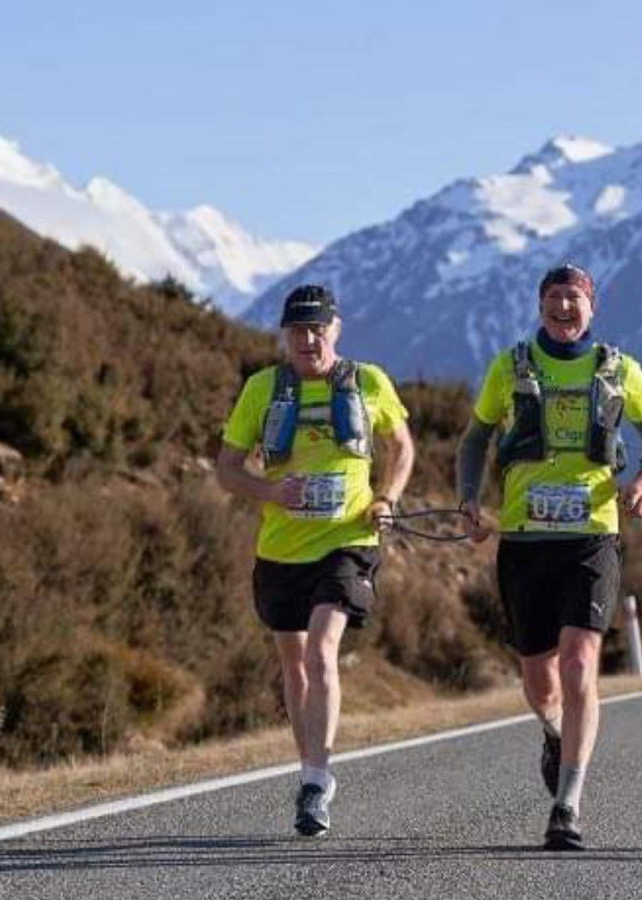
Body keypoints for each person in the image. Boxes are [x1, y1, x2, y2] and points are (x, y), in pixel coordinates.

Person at [456, 263, 642, 850]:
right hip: (525, 540)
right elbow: (475, 439)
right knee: (539, 682)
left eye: (574, 298)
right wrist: (468, 501)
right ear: (539, 305)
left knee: (580, 666)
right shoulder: (509, 366)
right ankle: (554, 733)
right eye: (554, 298)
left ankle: (567, 805)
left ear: (591, 307)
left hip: (591, 538)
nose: (564, 308)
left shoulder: (621, 369)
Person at [217, 284, 414, 837]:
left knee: (323, 650)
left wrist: (385, 499)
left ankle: (312, 782)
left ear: (336, 329)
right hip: (281, 548)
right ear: (284, 336)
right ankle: (314, 773)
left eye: (318, 328)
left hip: (347, 542)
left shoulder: (369, 382)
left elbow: (402, 447)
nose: (309, 339)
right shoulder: (262, 390)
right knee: (294, 662)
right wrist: (271, 493)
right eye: (298, 330)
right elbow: (226, 468)